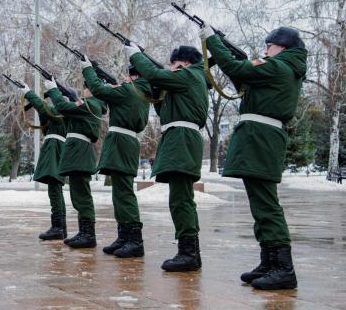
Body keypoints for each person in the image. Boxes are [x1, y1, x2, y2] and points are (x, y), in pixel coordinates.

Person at [201, 25, 306, 290]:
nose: (265, 50)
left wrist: (212, 41)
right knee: (261, 205)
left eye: (269, 46)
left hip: (261, 140)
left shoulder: (278, 67)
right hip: (259, 139)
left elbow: (239, 70)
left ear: (282, 47)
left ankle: (283, 269)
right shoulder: (280, 69)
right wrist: (233, 57)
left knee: (266, 205)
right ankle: (270, 261)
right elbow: (245, 80)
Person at [126, 44, 208, 271]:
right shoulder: (186, 80)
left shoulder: (189, 75)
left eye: (174, 63)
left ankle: (188, 253)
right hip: (177, 138)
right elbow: (163, 110)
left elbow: (153, 73)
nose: (172, 68)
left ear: (185, 63)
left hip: (181, 138)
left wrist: (135, 54)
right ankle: (190, 252)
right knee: (180, 199)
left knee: (181, 200)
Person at [80, 57, 151, 258]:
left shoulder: (131, 90)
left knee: (125, 192)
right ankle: (125, 236)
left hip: (122, 142)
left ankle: (135, 240)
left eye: (130, 75)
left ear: (135, 76)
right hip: (121, 141)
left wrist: (87, 69)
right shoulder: (140, 92)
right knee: (119, 192)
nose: (127, 79)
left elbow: (99, 90)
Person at [43, 78, 106, 248]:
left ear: (90, 90)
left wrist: (54, 90)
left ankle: (88, 235)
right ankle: (84, 232)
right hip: (77, 153)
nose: (83, 92)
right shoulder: (90, 105)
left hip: (80, 153)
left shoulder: (91, 104)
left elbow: (62, 108)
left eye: (85, 89)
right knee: (78, 196)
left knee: (82, 197)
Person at [19, 85, 68, 240]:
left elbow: (43, 107)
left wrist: (28, 93)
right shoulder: (60, 115)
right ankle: (60, 227)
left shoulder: (62, 113)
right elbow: (45, 119)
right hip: (55, 149)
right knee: (55, 190)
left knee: (54, 189)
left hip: (55, 150)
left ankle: (58, 227)